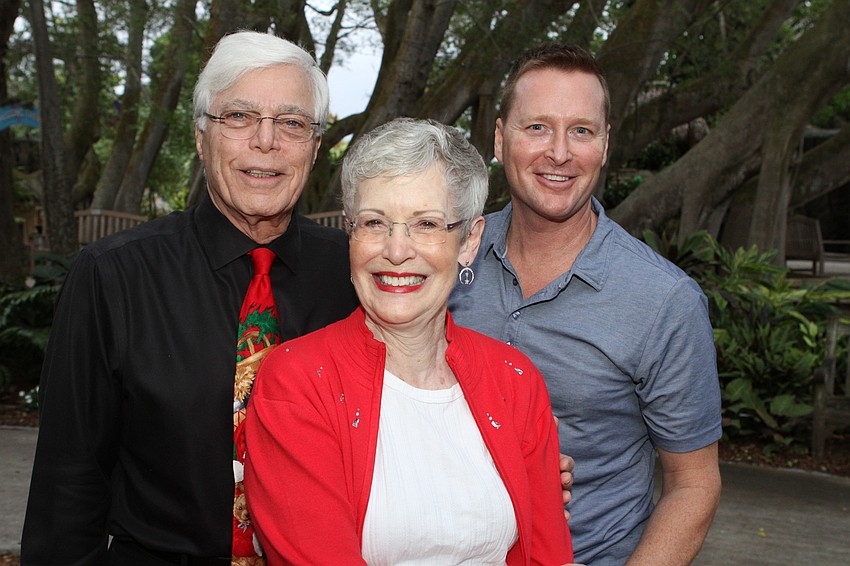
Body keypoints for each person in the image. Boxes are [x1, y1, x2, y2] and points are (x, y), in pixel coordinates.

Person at [21, 31, 358, 564]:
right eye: (240, 117)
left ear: (316, 147)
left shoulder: (356, 275)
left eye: (292, 123)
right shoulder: (113, 275)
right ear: (201, 137)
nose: (266, 142)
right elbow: (70, 481)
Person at [243, 117, 575, 565]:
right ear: (351, 233)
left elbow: (547, 555)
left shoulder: (515, 380)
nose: (397, 250)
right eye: (375, 222)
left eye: (426, 224)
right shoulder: (298, 382)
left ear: (469, 241)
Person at [449, 43, 723, 565]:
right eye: (537, 128)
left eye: (581, 130)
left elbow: (693, 485)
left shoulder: (663, 301)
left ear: (604, 145)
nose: (559, 152)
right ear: (500, 140)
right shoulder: (442, 259)